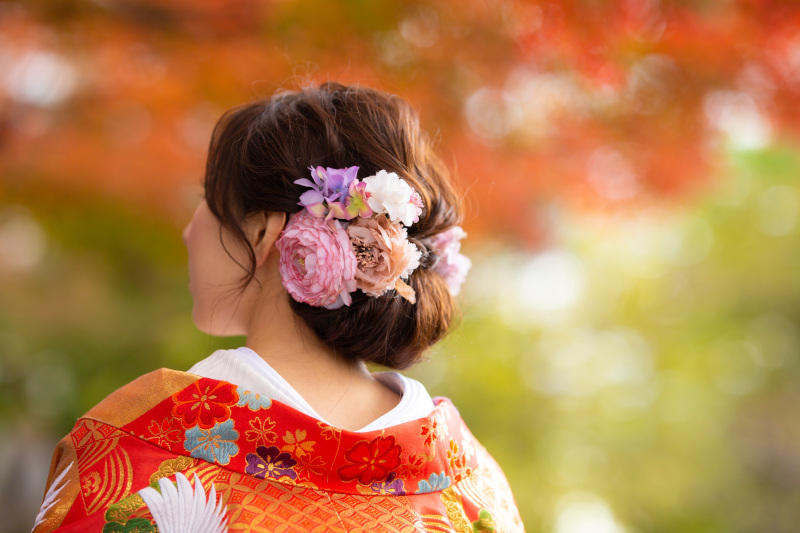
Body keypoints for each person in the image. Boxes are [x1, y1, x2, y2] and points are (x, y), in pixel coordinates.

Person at [32, 82, 524, 532]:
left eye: (207, 199)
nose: (188, 230)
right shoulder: (474, 491)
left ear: (264, 232)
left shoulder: (136, 456)